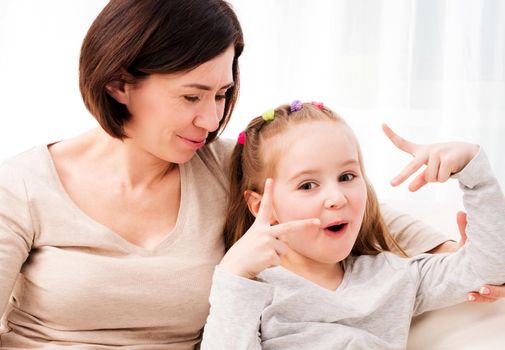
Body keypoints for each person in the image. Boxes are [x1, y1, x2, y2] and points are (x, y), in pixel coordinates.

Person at [0, 0, 501, 348]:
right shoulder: (23, 187)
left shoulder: (222, 166)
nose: (211, 119)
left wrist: (456, 256)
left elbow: (344, 204)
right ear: (119, 84)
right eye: (191, 96)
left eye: (221, 95)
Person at [200, 101, 505, 349]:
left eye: (347, 177)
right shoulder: (252, 290)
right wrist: (235, 276)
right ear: (261, 206)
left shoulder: (394, 275)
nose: (336, 198)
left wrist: (472, 170)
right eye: (308, 185)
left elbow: (488, 268)